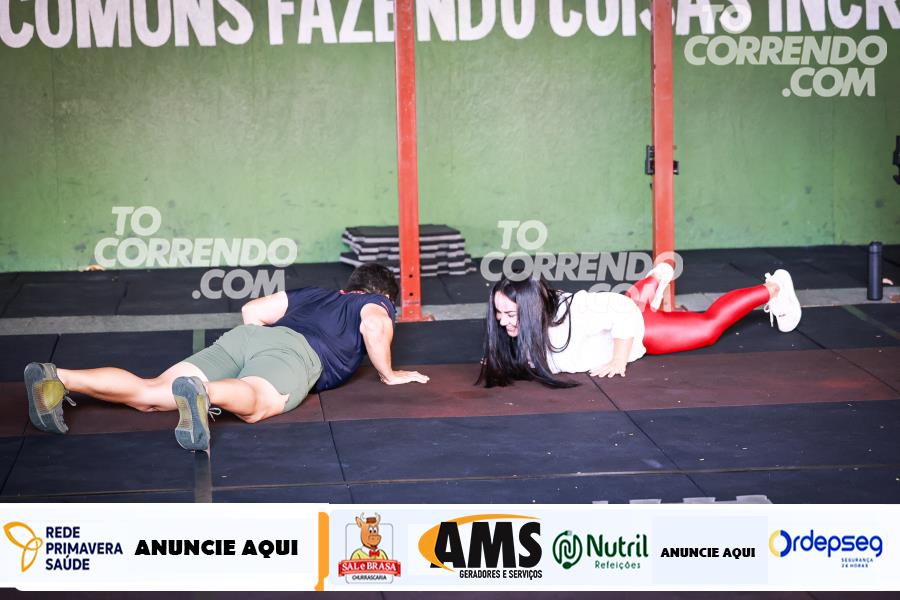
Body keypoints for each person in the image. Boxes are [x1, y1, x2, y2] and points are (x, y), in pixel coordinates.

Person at [24, 263, 429, 451]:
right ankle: (206, 393)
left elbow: (252, 310)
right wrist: (389, 373)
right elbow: (374, 326)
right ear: (383, 294)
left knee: (151, 394)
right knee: (258, 402)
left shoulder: (313, 295)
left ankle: (59, 377)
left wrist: (260, 346)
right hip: (296, 353)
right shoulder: (376, 303)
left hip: (246, 338)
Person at [478, 263, 802, 387]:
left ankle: (775, 288)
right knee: (628, 303)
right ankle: (654, 280)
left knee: (708, 328)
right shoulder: (523, 326)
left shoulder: (577, 312)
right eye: (499, 313)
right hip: (615, 315)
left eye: (511, 315)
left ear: (532, 309)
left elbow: (620, 310)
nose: (503, 321)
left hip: (639, 327)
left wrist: (620, 358)